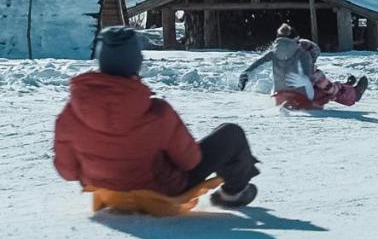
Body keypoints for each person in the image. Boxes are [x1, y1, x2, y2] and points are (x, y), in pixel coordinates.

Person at [54, 26, 259, 208]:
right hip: (160, 192)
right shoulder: (156, 112)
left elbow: (68, 172)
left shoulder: (71, 112)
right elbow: (190, 161)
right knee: (231, 133)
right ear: (136, 62)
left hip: (106, 191)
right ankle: (233, 194)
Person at [239, 24, 367, 108]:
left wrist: (245, 76)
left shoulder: (274, 53)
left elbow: (256, 66)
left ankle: (347, 85)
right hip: (302, 99)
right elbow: (327, 87)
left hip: (279, 95)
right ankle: (354, 93)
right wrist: (336, 89)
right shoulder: (304, 59)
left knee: (320, 86)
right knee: (331, 91)